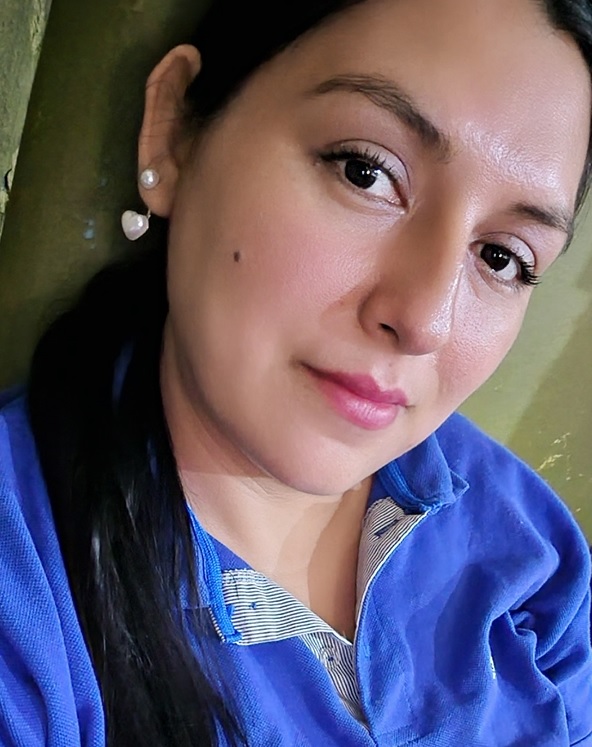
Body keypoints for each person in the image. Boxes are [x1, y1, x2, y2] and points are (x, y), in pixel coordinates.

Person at [0, 0, 591, 744]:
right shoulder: (26, 603)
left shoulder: (530, 546)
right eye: (365, 172)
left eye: (502, 257)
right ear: (174, 130)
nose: (425, 320)